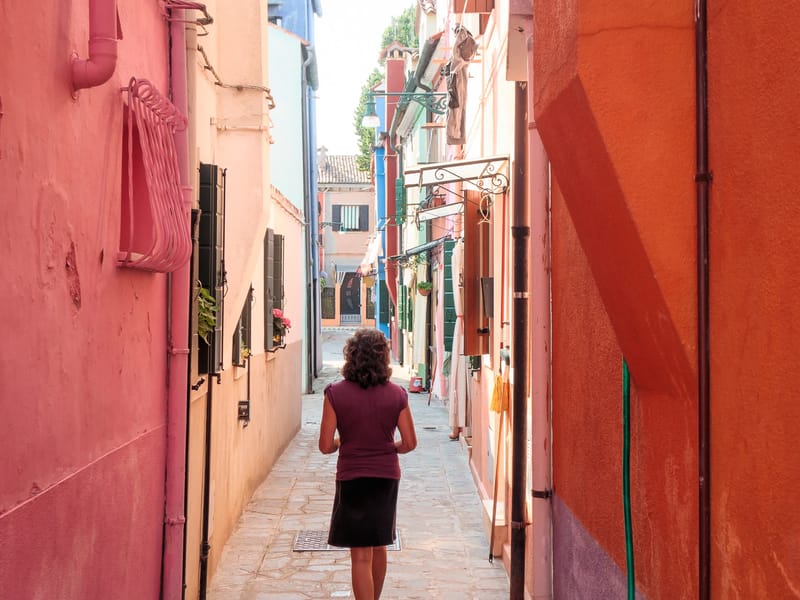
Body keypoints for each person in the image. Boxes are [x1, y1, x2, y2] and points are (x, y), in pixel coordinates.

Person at [318, 328, 417, 600]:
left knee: (360, 555)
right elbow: (409, 443)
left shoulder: (335, 394)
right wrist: (388, 448)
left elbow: (326, 445)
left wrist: (343, 442)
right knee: (380, 543)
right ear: (383, 358)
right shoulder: (397, 394)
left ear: (351, 357)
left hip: (352, 478)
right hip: (385, 477)